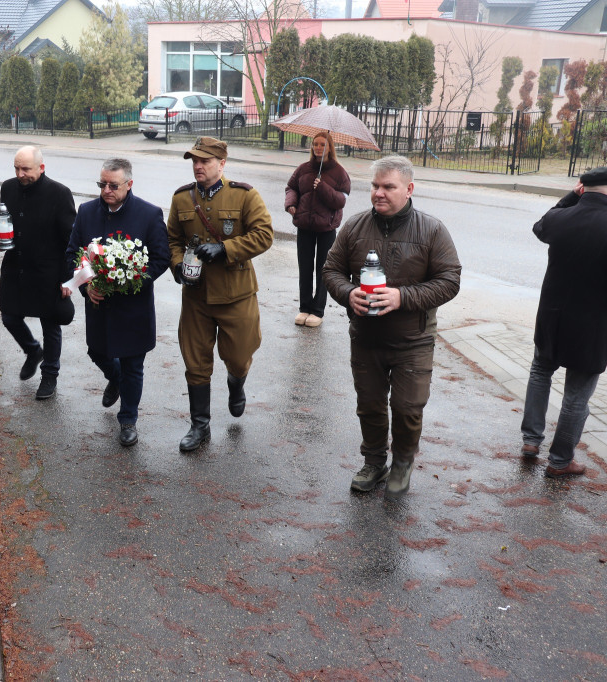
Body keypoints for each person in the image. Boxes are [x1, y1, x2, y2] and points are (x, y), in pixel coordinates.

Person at [322, 155, 461, 499]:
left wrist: (402, 297)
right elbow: (331, 270)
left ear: (409, 189)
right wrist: (347, 292)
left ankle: (401, 463)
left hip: (413, 339)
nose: (378, 193)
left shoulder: (431, 230)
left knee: (407, 408)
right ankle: (374, 461)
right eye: (374, 186)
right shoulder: (354, 227)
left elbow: (450, 280)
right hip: (366, 338)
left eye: (388, 187)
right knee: (369, 404)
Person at [166, 137, 274, 452]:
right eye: (194, 161)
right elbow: (172, 237)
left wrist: (225, 248)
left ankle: (236, 381)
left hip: (236, 293)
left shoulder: (244, 195)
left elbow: (264, 235)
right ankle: (200, 426)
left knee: (239, 356)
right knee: (195, 361)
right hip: (196, 297)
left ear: (222, 164)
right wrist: (177, 267)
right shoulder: (182, 198)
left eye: (205, 161)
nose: (198, 166)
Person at [62, 158, 170, 446]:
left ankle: (128, 421)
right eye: (102, 184)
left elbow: (161, 258)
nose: (106, 190)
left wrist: (134, 279)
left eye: (113, 185)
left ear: (129, 184)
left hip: (134, 307)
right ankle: (115, 377)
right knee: (97, 353)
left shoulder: (149, 214)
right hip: (100, 306)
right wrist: (87, 289)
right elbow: (73, 253)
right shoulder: (86, 212)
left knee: (134, 363)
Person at [519, 167, 607, 478]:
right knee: (577, 394)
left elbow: (540, 225)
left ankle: (531, 442)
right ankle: (559, 461)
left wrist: (572, 195)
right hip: (593, 325)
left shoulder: (561, 218)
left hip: (552, 316)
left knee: (541, 372)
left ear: (583, 188)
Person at [0, 145, 76, 400]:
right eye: (17, 168)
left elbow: (70, 239)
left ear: (41, 167)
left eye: (25, 169)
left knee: (50, 325)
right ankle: (32, 351)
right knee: (9, 317)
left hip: (47, 271)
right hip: (15, 267)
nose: (20, 174)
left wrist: (68, 278)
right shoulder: (7, 187)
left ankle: (50, 375)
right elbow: (1, 219)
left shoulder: (59, 194)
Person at [284, 131, 352, 328]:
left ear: (330, 147)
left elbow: (341, 201)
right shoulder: (303, 168)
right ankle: (304, 307)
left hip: (326, 228)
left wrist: (322, 187)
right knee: (305, 268)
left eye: (323, 144)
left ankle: (318, 310)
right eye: (316, 144)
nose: (318, 148)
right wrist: (291, 204)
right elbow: (291, 188)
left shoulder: (339, 172)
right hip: (304, 225)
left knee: (323, 269)